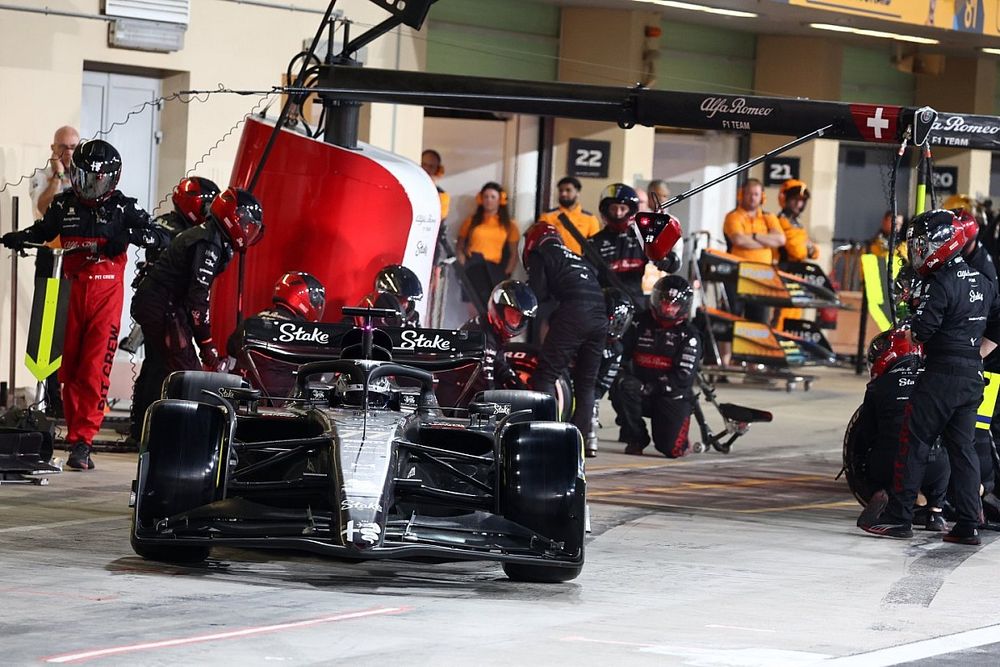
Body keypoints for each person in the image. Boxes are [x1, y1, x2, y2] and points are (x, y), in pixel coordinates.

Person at [2, 139, 161, 470]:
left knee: (92, 369)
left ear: (113, 179)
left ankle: (84, 440)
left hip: (105, 297)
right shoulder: (63, 205)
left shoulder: (123, 208)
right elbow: (42, 231)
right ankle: (75, 435)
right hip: (69, 292)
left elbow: (161, 237)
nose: (91, 187)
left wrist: (130, 235)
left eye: (99, 181)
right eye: (87, 178)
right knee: (68, 368)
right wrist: (19, 237)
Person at [859, 209, 1000, 545]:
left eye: (921, 244)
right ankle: (968, 524)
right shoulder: (982, 280)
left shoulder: (939, 284)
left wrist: (912, 311)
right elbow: (997, 324)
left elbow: (921, 332)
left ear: (942, 244)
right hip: (971, 376)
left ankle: (899, 517)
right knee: (962, 449)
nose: (917, 250)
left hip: (940, 375)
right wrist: (973, 354)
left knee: (914, 442)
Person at [129, 188, 264, 447]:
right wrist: (208, 347)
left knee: (159, 366)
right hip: (162, 306)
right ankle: (176, 439)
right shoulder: (208, 243)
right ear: (232, 218)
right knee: (187, 373)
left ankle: (144, 433)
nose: (248, 231)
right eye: (246, 223)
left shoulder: (210, 236)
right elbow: (197, 301)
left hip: (161, 304)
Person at [854, 326, 950, 531]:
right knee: (945, 449)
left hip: (889, 464)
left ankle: (884, 493)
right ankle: (935, 512)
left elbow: (863, 435)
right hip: (933, 465)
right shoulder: (937, 383)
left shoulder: (876, 388)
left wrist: (861, 470)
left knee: (886, 452)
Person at [523, 222, 607, 450]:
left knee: (545, 376)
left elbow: (537, 293)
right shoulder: (575, 256)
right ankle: (577, 445)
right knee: (586, 384)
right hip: (601, 316)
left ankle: (548, 442)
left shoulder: (542, 253)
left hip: (575, 312)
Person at [612, 275, 701, 458]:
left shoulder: (689, 336)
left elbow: (683, 377)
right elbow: (620, 355)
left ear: (683, 306)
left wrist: (651, 387)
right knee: (620, 384)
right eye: (665, 302)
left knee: (671, 450)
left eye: (674, 305)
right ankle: (636, 438)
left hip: (671, 396)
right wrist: (624, 376)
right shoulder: (638, 323)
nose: (668, 308)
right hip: (640, 389)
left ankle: (679, 436)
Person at [27, 125, 79, 418]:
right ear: (53, 148)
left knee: (71, 326)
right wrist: (59, 176)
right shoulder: (41, 176)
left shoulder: (85, 177)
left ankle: (69, 393)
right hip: (50, 256)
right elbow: (44, 208)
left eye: (73, 146)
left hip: (76, 259)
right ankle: (48, 395)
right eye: (64, 147)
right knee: (49, 327)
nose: (69, 153)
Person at [229, 271, 326, 400]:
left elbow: (230, 348)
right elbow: (316, 373)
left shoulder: (252, 321)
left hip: (243, 397)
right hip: (283, 403)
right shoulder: (306, 331)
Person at [722, 178, 785, 324]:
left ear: (762, 196)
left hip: (762, 276)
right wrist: (766, 241)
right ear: (741, 195)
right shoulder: (733, 216)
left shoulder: (769, 217)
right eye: (749, 194)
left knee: (759, 322)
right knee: (732, 319)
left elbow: (780, 240)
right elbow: (738, 240)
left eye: (756, 194)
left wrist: (754, 236)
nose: (752, 197)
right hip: (736, 274)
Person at [459, 279, 538, 392]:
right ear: (499, 309)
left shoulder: (491, 330)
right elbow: (486, 389)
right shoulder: (482, 336)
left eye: (519, 318)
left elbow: (499, 363)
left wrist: (517, 384)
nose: (515, 321)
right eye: (511, 314)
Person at [588, 287, 636, 457]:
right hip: (570, 379)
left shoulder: (616, 349)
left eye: (618, 320)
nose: (613, 324)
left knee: (592, 399)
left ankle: (589, 432)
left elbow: (600, 387)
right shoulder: (580, 334)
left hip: (589, 388)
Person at [456, 182, 519, 309]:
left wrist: (507, 273)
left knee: (494, 308)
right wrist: (463, 264)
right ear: (481, 199)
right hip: (473, 265)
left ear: (500, 200)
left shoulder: (509, 224)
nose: (489, 200)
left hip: (495, 269)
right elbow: (460, 246)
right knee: (473, 307)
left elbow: (514, 253)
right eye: (486, 196)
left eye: (492, 197)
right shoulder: (471, 221)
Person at [537, 176, 600, 256]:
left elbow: (595, 247)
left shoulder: (590, 218)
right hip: (554, 263)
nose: (563, 194)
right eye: (561, 191)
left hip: (580, 264)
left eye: (568, 190)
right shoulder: (547, 216)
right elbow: (540, 242)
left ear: (577, 192)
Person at [356, 264, 424, 327]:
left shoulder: (413, 320)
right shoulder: (361, 316)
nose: (405, 304)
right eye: (399, 299)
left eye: (408, 299)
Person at [775, 179, 819, 264]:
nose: (799, 204)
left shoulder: (796, 223)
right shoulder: (781, 222)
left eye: (802, 200)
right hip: (782, 270)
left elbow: (815, 253)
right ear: (785, 199)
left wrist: (810, 249)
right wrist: (808, 248)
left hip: (794, 270)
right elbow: (798, 253)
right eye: (795, 199)